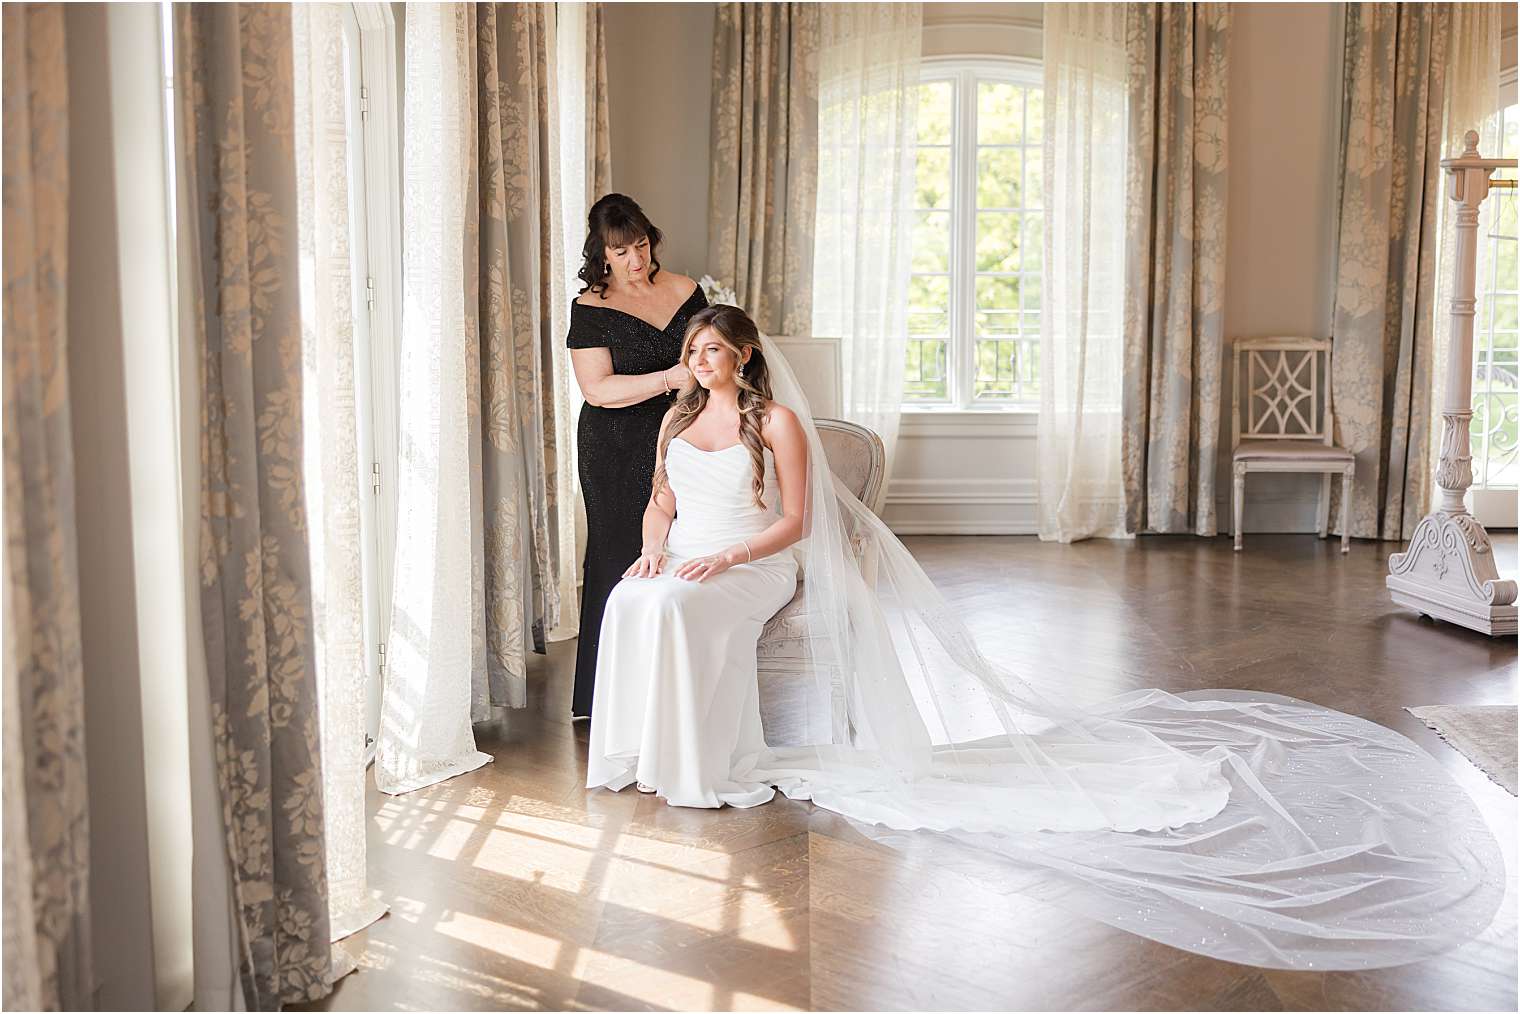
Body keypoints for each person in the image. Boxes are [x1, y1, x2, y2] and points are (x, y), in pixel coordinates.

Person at [586, 303, 1504, 973]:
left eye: (716, 349)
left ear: (745, 356)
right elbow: (659, 507)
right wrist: (654, 553)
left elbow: (794, 521)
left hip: (753, 560)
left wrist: (725, 557)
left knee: (676, 608)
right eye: (694, 350)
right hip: (689, 559)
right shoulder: (673, 418)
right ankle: (647, 757)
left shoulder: (775, 421)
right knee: (635, 602)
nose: (703, 361)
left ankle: (708, 763)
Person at [565, 194, 707, 720]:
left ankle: (673, 689)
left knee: (680, 546)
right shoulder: (590, 308)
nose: (636, 260)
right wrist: (670, 379)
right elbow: (597, 390)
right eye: (622, 252)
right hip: (615, 445)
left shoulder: (687, 291)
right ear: (602, 254)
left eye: (642, 245)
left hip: (685, 436)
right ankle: (606, 695)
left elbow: (711, 354)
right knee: (617, 554)